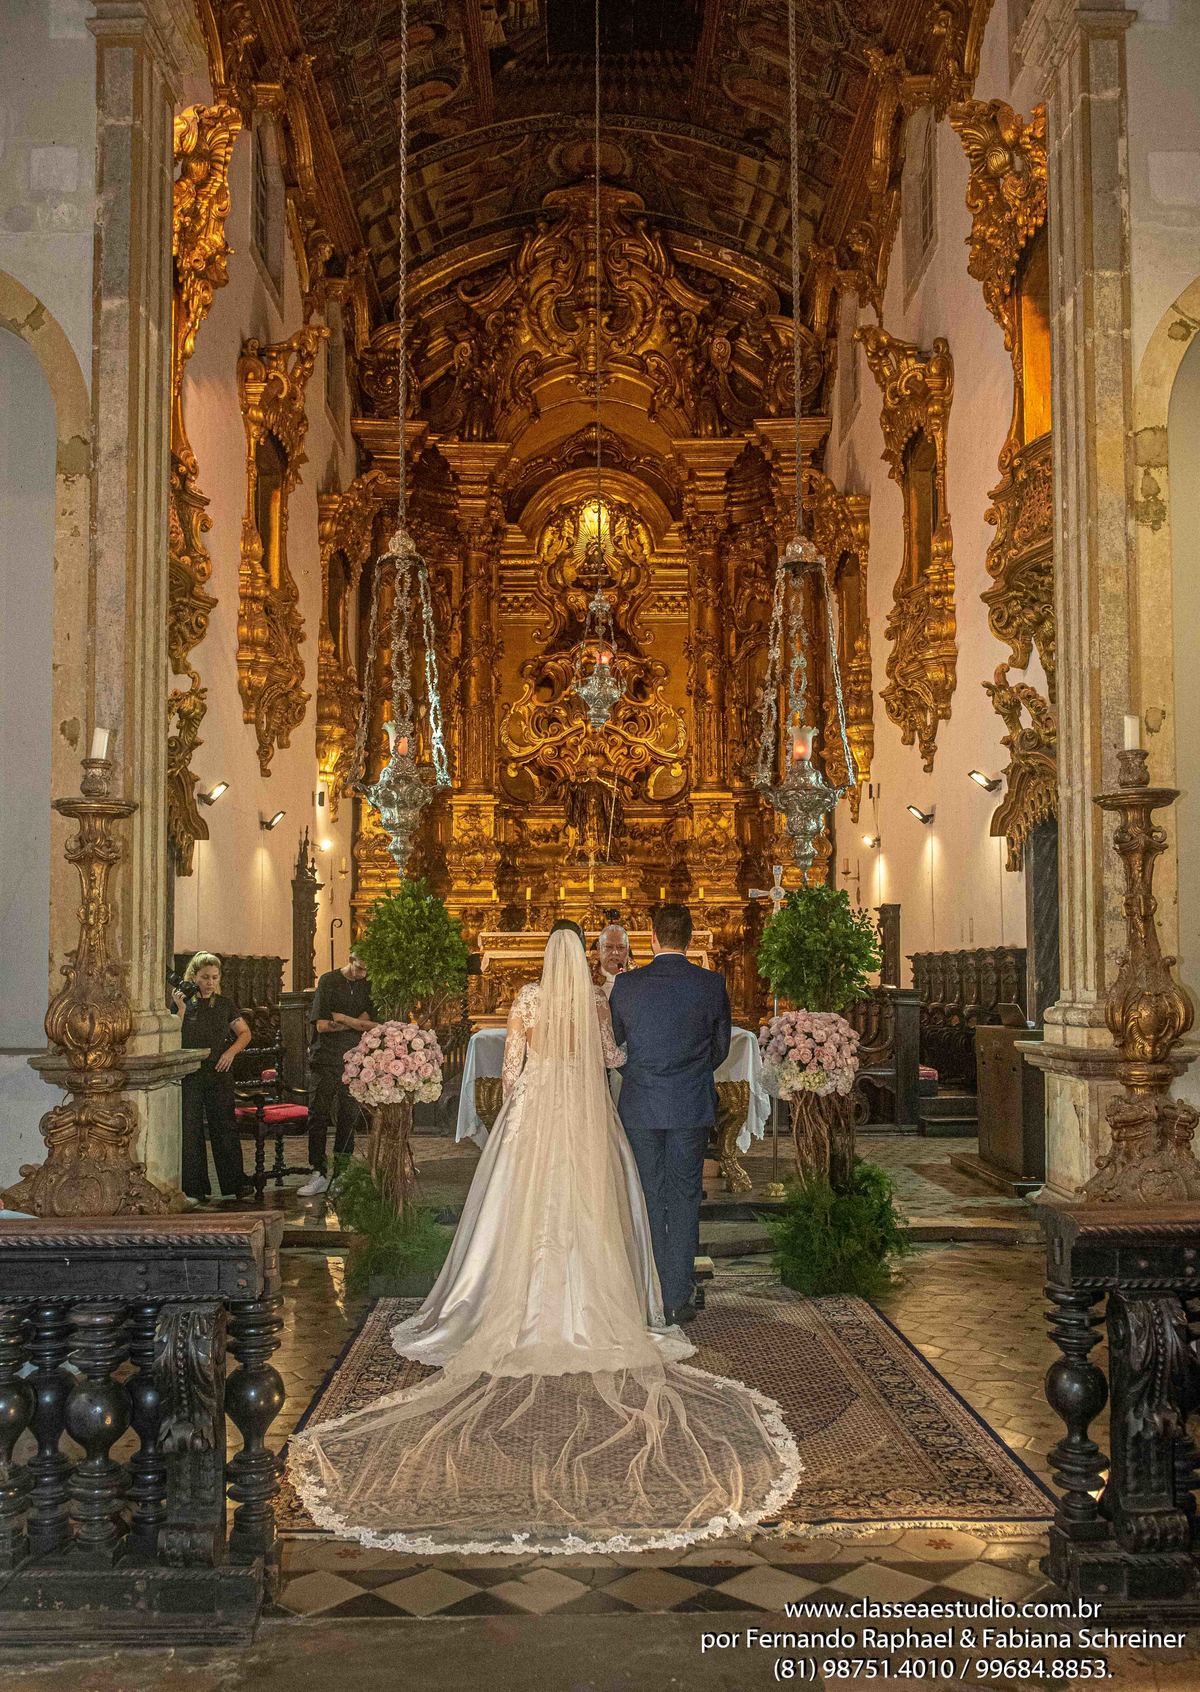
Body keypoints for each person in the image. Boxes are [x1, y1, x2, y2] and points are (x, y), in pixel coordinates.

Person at [288, 921, 797, 1556]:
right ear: (583, 957)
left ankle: (515, 1298)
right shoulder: (595, 1001)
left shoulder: (527, 1001)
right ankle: (600, 1301)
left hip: (535, 1119)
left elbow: (517, 1066)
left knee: (520, 1211)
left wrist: (541, 1092)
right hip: (588, 1119)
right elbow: (612, 1059)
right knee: (595, 1210)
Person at [609, 904, 731, 1324]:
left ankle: (649, 1293)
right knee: (684, 1198)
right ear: (691, 938)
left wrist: (642, 1073)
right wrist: (689, 1074)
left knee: (647, 1197)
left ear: (652, 937)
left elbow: (617, 1049)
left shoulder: (625, 986)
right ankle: (677, 1296)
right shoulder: (711, 984)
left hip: (641, 1104)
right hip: (689, 1104)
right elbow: (720, 1048)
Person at [171, 952, 253, 1203]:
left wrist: (230, 1053)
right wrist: (182, 1008)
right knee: (191, 1129)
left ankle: (235, 1183)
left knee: (224, 1126)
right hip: (192, 1073)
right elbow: (174, 1034)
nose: (209, 982)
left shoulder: (226, 1004)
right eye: (205, 977)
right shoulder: (182, 1003)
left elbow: (245, 1034)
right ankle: (195, 1189)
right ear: (193, 976)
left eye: (214, 978)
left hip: (219, 1071)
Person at [299, 947, 377, 1197]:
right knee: (318, 1115)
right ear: (350, 960)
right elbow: (322, 1026)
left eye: (367, 970)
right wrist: (356, 1024)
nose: (363, 974)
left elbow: (372, 1025)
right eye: (360, 968)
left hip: (354, 1058)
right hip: (325, 1057)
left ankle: (341, 1172)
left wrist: (343, 1018)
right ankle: (318, 1171)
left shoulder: (367, 985)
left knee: (348, 1116)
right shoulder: (329, 981)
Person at [591, 920, 631, 997]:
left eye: (621, 947)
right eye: (608, 947)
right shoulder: (587, 974)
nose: (615, 952)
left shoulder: (639, 976)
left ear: (628, 950)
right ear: (599, 948)